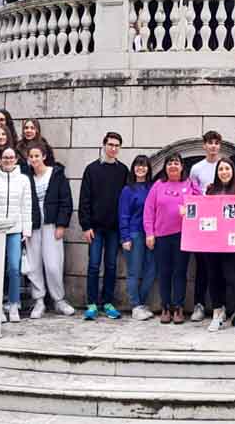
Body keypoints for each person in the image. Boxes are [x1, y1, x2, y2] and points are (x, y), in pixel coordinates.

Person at [144, 154, 201, 324]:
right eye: (170, 163)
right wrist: (149, 233)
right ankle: (165, 307)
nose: (173, 166)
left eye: (176, 163)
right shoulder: (158, 185)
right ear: (165, 167)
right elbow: (149, 210)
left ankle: (178, 307)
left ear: (182, 167)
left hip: (183, 236)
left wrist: (191, 208)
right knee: (164, 273)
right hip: (161, 236)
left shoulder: (189, 184)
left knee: (180, 272)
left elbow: (200, 205)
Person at [80, 132, 129, 321]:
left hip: (114, 229)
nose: (113, 148)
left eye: (117, 145)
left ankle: (108, 302)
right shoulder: (91, 169)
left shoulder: (123, 170)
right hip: (95, 228)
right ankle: (91, 304)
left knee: (111, 266)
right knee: (93, 266)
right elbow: (84, 199)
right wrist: (86, 225)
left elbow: (125, 201)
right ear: (104, 145)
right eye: (110, 144)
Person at [202, 158, 235, 337]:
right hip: (211, 243)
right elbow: (202, 212)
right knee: (213, 277)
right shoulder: (210, 190)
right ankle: (218, 313)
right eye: (221, 169)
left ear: (232, 171)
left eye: (227, 168)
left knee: (232, 278)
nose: (224, 172)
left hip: (232, 244)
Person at [24, 143, 75, 319]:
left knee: (53, 265)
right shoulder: (26, 177)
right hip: (33, 225)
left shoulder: (56, 174)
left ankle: (59, 300)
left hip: (52, 225)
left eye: (37, 156)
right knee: (34, 265)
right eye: (31, 156)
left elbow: (66, 201)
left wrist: (62, 224)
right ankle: (39, 301)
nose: (34, 159)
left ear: (44, 156)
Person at [0, 147, 32, 322]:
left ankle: (14, 304)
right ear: (0, 159)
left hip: (15, 229)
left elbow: (26, 205)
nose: (8, 160)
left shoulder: (23, 180)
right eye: (5, 157)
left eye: (11, 157)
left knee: (14, 268)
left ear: (16, 160)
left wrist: (26, 229)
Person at [188, 130, 223, 321]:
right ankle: (199, 305)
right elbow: (192, 194)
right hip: (203, 223)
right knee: (201, 265)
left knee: (221, 266)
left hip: (222, 224)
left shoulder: (225, 165)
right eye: (210, 143)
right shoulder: (196, 168)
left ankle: (222, 305)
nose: (213, 146)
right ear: (204, 145)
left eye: (216, 143)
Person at [119, 155, 155, 321]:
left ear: (148, 169)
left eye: (144, 166)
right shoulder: (128, 190)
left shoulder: (152, 187)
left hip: (151, 234)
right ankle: (135, 305)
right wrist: (125, 237)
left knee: (151, 270)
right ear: (133, 168)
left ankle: (141, 303)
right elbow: (123, 215)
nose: (141, 168)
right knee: (134, 272)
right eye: (138, 166)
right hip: (134, 234)